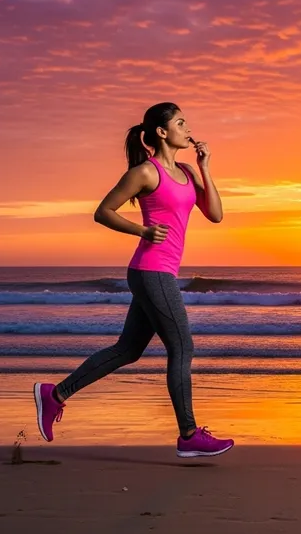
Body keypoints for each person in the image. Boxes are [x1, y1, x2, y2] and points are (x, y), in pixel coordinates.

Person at [33, 102, 234, 458]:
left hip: (162, 271)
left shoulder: (187, 171)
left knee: (128, 350)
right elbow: (103, 212)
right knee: (183, 347)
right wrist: (142, 229)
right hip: (150, 270)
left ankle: (55, 395)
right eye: (181, 123)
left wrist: (205, 169)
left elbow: (215, 215)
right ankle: (188, 434)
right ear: (161, 132)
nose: (188, 129)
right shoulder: (146, 173)